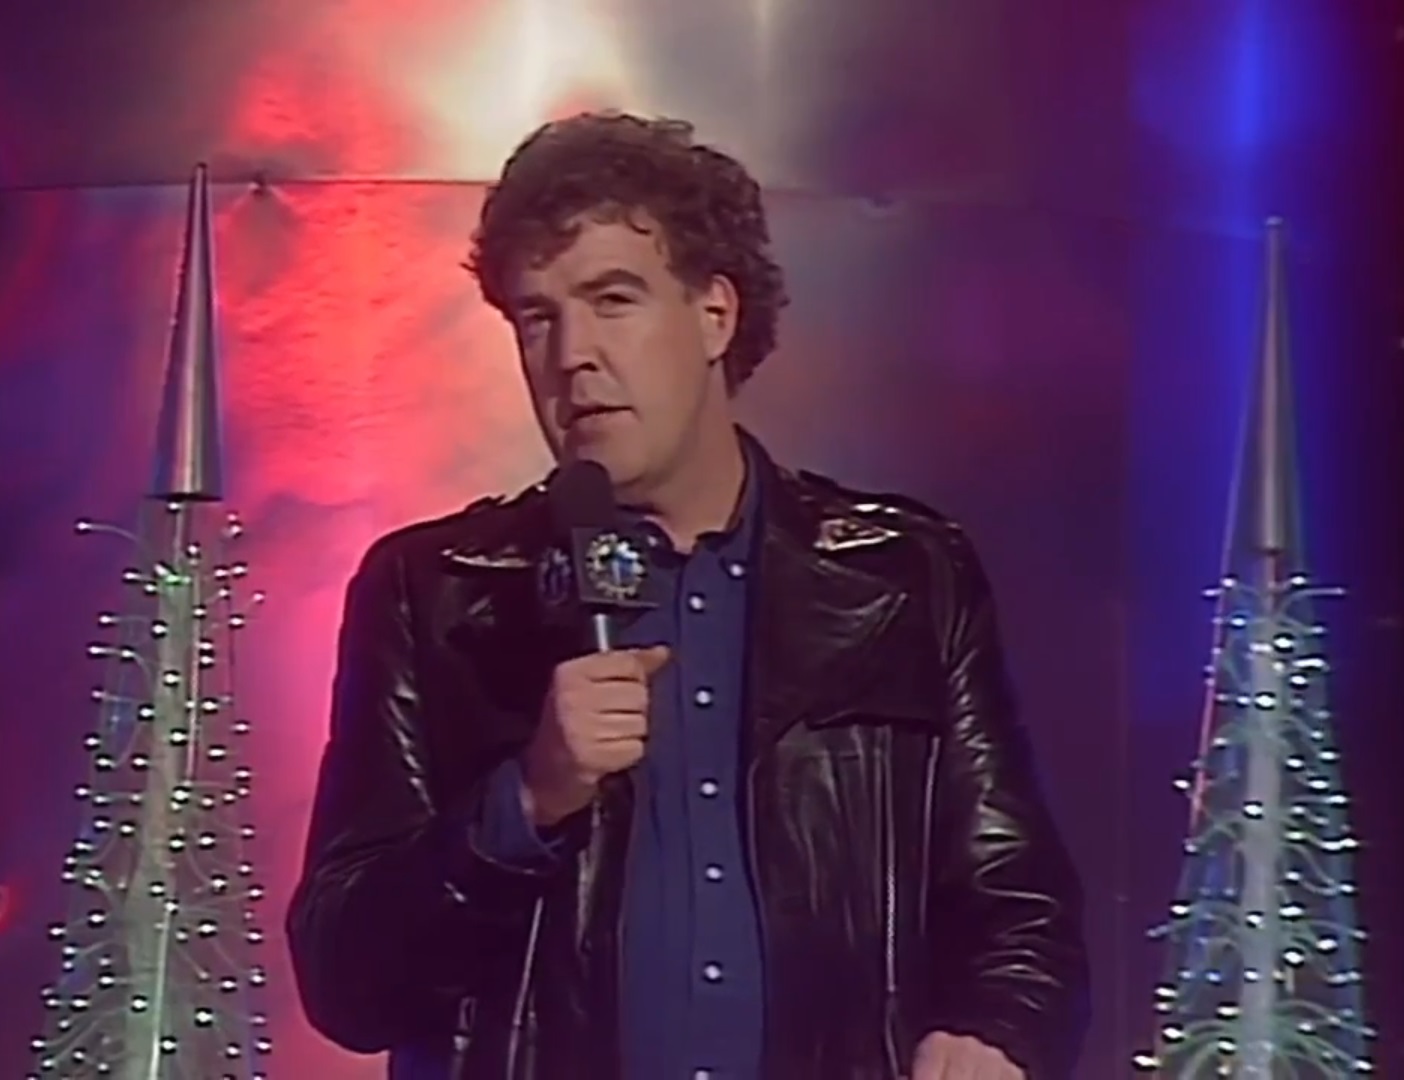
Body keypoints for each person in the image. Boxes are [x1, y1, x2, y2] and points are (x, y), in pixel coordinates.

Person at [287, 111, 1089, 1080]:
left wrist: (996, 1032)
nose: (572, 354)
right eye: (537, 318)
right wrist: (529, 797)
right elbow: (345, 978)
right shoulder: (438, 594)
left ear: (716, 314)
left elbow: (1020, 910)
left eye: (612, 300)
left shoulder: (902, 576)